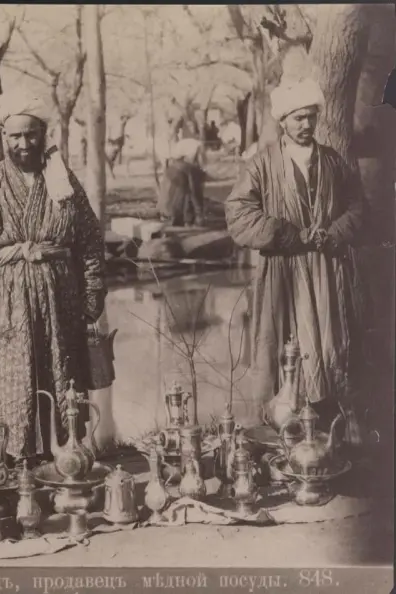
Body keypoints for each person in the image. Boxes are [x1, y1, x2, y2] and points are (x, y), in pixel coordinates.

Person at [0, 90, 107, 466]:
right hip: (10, 303)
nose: (23, 144)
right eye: (14, 136)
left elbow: (89, 241)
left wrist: (91, 296)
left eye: (30, 134)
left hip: (61, 300)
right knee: (13, 382)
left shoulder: (62, 180)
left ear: (44, 134)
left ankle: (65, 461)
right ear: (3, 138)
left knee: (63, 377)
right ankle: (14, 466)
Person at [224, 78, 366, 442]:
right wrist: (288, 234)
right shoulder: (261, 164)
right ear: (283, 120)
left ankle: (332, 429)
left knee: (332, 342)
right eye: (298, 118)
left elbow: (358, 206)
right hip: (283, 272)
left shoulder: (333, 161)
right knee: (287, 343)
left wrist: (334, 233)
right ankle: (287, 431)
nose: (306, 125)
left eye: (311, 118)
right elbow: (239, 214)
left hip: (328, 269)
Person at [157, 140, 206, 227]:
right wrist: (199, 215)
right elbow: (195, 193)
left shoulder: (171, 167)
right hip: (177, 216)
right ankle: (188, 219)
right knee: (190, 191)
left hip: (164, 213)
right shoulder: (190, 169)